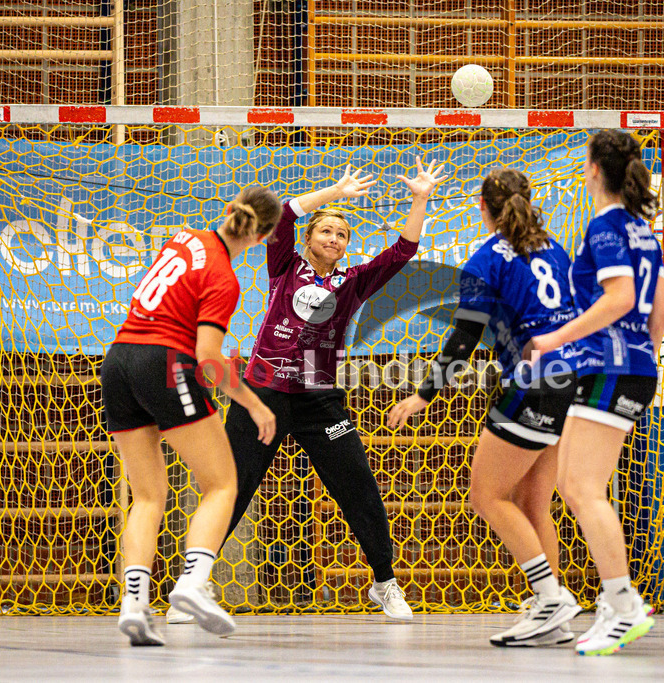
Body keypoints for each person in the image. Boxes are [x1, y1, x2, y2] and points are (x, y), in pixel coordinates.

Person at [170, 159, 447, 624]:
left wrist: (419, 198)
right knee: (233, 488)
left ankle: (385, 583)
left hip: (319, 395)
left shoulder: (353, 282)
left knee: (358, 485)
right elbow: (285, 212)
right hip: (264, 391)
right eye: (326, 231)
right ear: (310, 239)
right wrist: (335, 193)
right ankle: (194, 584)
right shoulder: (284, 265)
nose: (334, 239)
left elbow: (402, 251)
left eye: (341, 234)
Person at [387, 167, 581, 647]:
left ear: (483, 208)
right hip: (570, 381)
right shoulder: (554, 249)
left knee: (486, 496)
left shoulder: (486, 259)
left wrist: (423, 394)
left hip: (530, 385)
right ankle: (549, 610)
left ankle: (550, 598)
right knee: (535, 504)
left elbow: (465, 336)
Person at [101, 185, 283, 646]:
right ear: (261, 239)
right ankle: (192, 583)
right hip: (163, 363)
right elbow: (208, 358)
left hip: (118, 361)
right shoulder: (224, 277)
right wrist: (255, 403)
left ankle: (135, 608)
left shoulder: (183, 238)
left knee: (146, 496)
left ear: (227, 211)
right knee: (221, 484)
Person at [527, 130, 664, 656]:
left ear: (593, 169)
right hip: (628, 367)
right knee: (573, 481)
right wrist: (641, 358)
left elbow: (623, 297)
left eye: (584, 164)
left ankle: (624, 602)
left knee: (581, 486)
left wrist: (555, 339)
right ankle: (616, 600)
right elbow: (659, 313)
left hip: (611, 367)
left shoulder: (607, 225)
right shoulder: (644, 230)